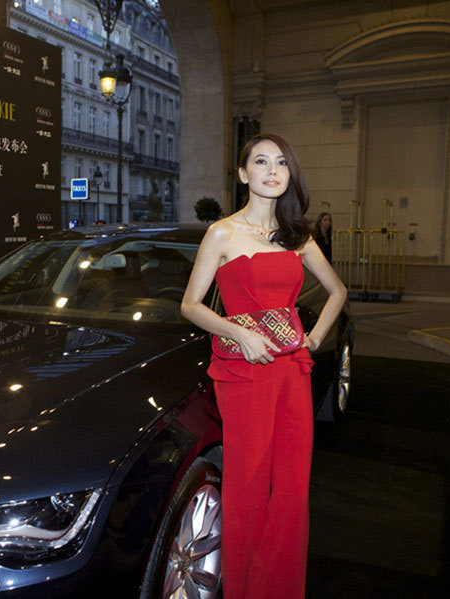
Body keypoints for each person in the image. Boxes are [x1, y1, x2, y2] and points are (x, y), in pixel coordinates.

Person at [180, 133, 346, 598]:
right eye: (261, 161)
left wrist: (312, 340)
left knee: (292, 488)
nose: (272, 170)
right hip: (245, 373)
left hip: (292, 371)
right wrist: (239, 333)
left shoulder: (299, 236)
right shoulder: (223, 233)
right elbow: (191, 305)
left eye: (281, 163)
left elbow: (337, 291)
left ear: (289, 175)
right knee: (248, 485)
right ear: (242, 173)